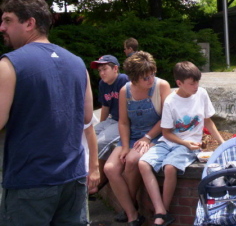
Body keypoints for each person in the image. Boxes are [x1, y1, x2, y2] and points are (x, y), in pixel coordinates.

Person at [0, 0, 93, 225]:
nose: (2, 27)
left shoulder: (9, 63)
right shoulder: (78, 63)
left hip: (31, 182)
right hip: (73, 179)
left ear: (29, 23)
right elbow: (87, 117)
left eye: (8, 20)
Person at [139, 61, 224, 226]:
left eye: (197, 82)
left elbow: (208, 121)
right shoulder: (171, 101)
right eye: (192, 83)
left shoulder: (202, 94)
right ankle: (161, 210)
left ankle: (162, 213)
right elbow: (166, 133)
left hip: (190, 144)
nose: (196, 86)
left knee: (170, 167)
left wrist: (221, 142)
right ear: (179, 83)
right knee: (143, 163)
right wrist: (184, 142)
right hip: (171, 141)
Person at [104, 51, 171, 225]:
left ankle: (129, 206)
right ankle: (132, 213)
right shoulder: (124, 91)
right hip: (132, 136)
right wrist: (125, 146)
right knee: (110, 168)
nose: (150, 80)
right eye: (145, 78)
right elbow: (124, 122)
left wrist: (148, 138)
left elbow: (166, 119)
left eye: (152, 75)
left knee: (133, 160)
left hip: (155, 135)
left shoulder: (161, 86)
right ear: (133, 78)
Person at [90, 55, 128, 194]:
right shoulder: (102, 84)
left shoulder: (123, 80)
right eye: (100, 70)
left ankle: (97, 182)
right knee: (90, 136)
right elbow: (105, 107)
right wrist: (102, 126)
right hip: (112, 120)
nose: (102, 73)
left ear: (115, 68)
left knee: (100, 142)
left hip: (124, 122)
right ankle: (88, 175)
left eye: (105, 69)